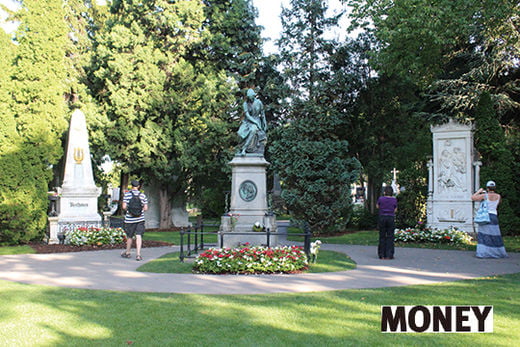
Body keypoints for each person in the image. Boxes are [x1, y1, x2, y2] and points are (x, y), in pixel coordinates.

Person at [471, 181, 508, 258]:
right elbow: (498, 204)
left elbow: (473, 197)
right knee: (495, 235)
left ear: (487, 188)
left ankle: (484, 252)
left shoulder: (485, 196)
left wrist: (479, 191)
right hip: (494, 215)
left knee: (484, 235)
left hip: (486, 216)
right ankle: (498, 252)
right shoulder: (498, 196)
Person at [121, 180, 148, 261]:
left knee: (129, 236)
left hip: (129, 219)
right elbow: (146, 208)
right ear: (139, 186)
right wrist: (140, 210)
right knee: (138, 236)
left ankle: (128, 252)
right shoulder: (142, 195)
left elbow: (124, 206)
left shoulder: (127, 195)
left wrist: (129, 210)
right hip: (140, 219)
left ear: (131, 186)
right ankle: (138, 255)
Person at [237, 88, 267, 155]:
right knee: (239, 133)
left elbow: (262, 114)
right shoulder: (245, 104)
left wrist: (264, 123)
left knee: (253, 130)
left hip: (256, 119)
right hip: (248, 121)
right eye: (249, 98)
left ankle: (244, 148)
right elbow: (247, 115)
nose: (250, 99)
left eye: (251, 97)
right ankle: (240, 147)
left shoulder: (259, 102)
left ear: (254, 96)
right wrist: (255, 122)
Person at [377, 186, 398, 260]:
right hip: (390, 217)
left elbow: (377, 206)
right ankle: (389, 254)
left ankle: (381, 254)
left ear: (385, 192)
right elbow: (395, 209)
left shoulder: (381, 199)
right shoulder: (394, 200)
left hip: (382, 217)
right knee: (390, 236)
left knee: (382, 236)